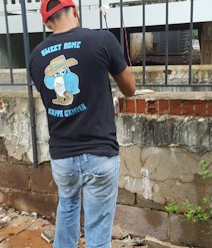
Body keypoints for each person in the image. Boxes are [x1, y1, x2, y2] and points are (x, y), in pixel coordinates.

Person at [28, 0, 135, 247]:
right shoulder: (103, 41)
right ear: (75, 11)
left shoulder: (35, 57)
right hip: (100, 153)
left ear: (46, 22)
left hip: (62, 157)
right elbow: (130, 89)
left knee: (67, 206)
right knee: (98, 232)